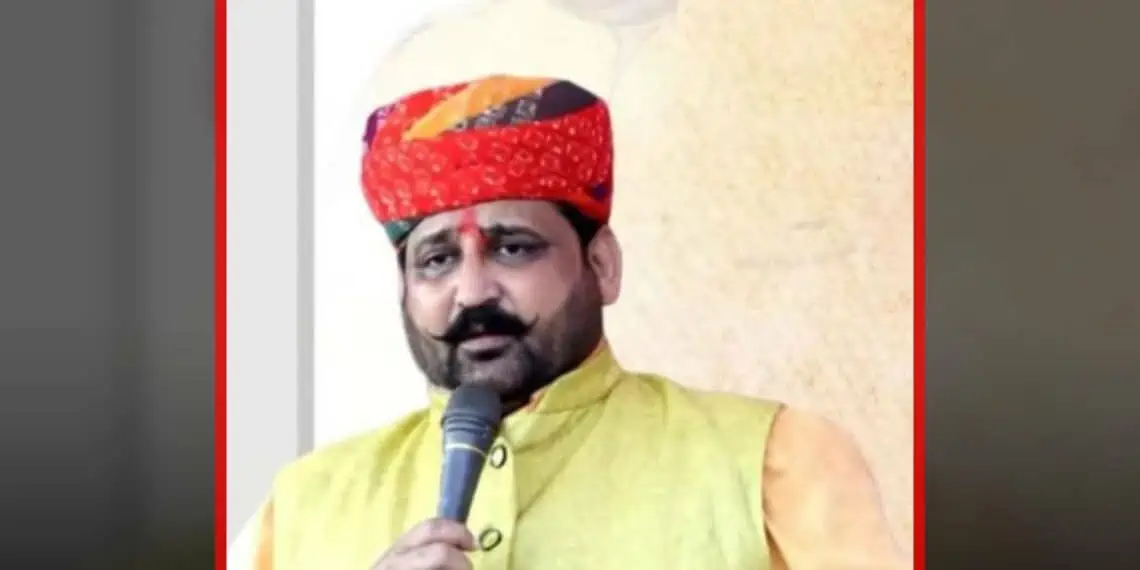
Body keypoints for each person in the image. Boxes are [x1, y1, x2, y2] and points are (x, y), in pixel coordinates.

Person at [231, 75, 907, 570]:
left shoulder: (770, 459)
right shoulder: (304, 504)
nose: (473, 291)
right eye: (437, 260)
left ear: (602, 266)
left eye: (513, 248)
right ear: (404, 289)